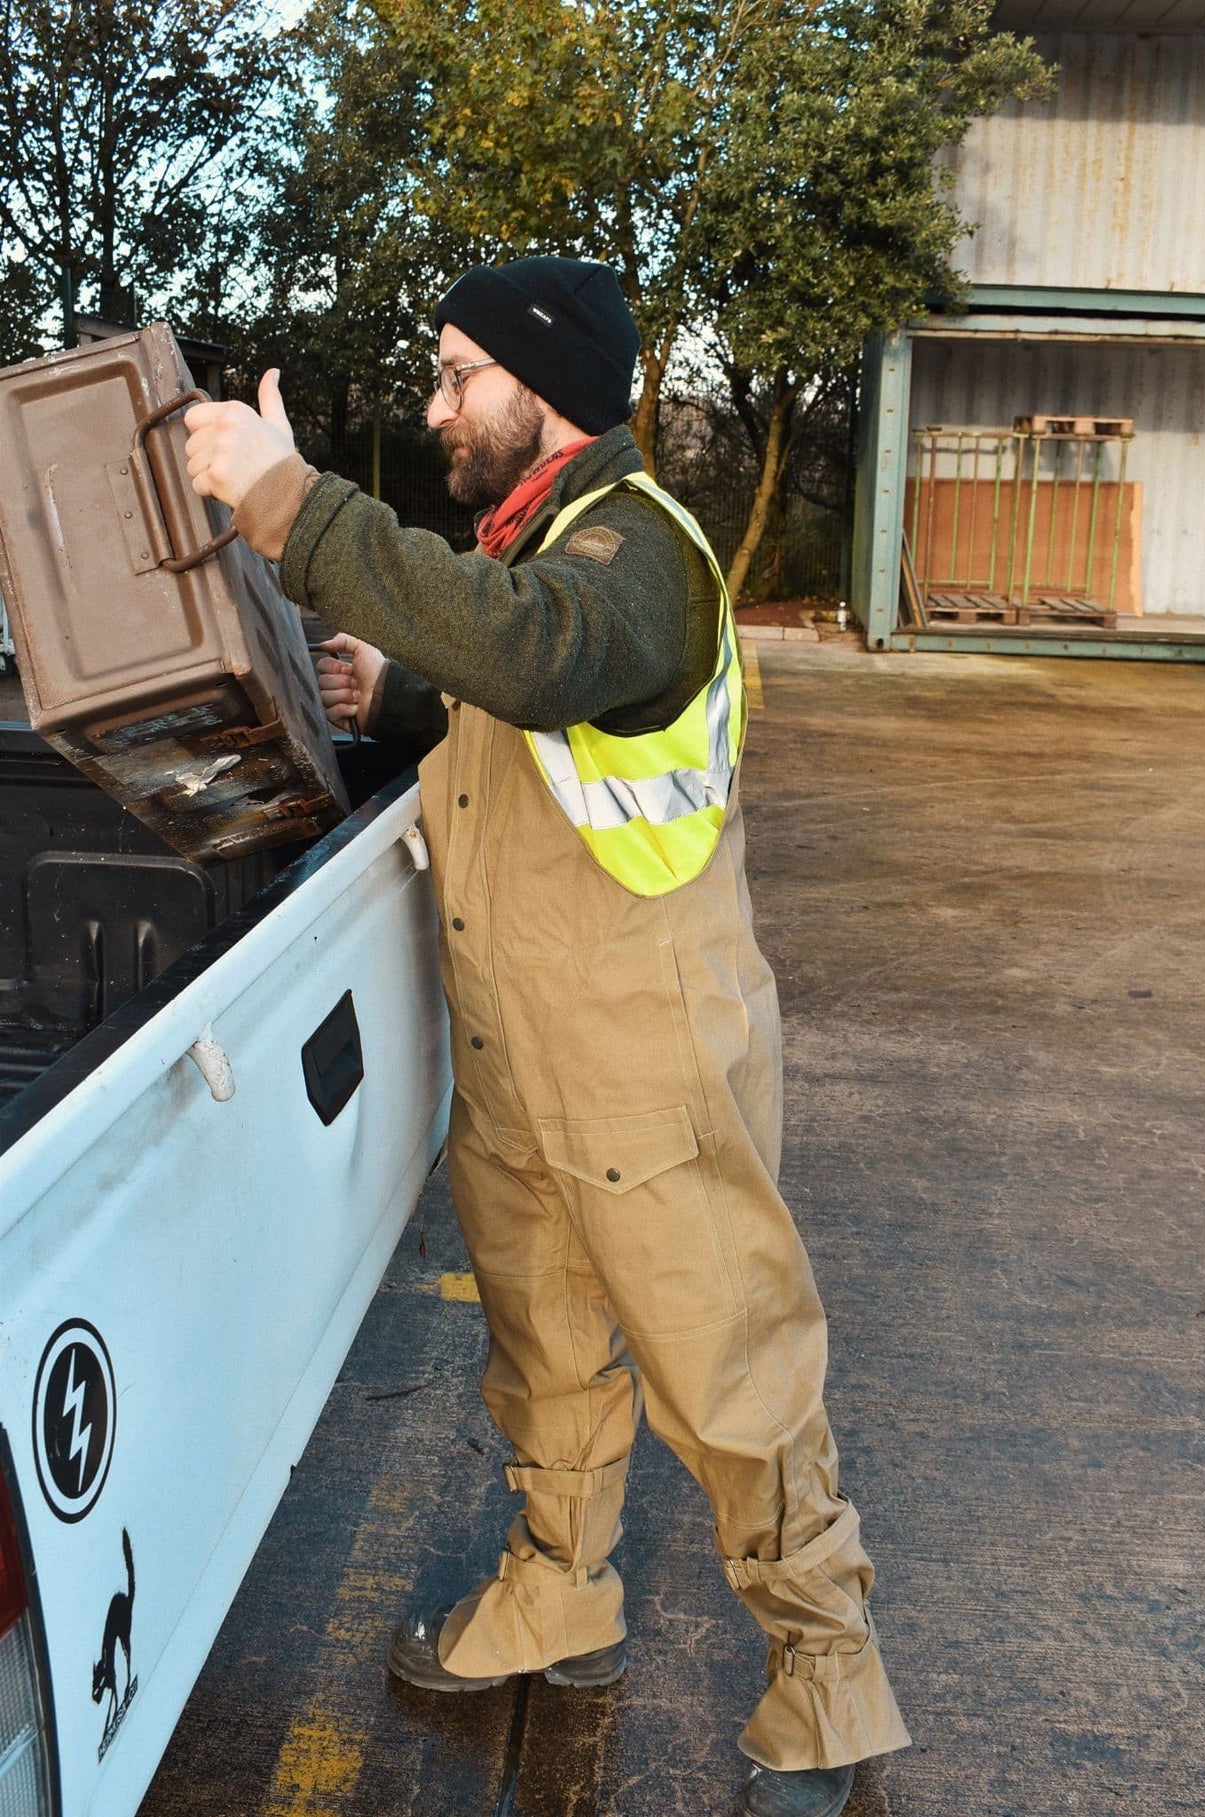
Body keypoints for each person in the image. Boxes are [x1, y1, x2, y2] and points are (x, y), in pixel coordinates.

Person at [183, 256, 909, 1817]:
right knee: (544, 1351)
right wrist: (385, 689)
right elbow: (500, 702)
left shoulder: (641, 554)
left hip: (646, 1049)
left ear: (546, 386)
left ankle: (826, 1676)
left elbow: (540, 653)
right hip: (518, 1049)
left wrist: (290, 505)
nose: (438, 403)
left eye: (458, 374)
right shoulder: (539, 547)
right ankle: (557, 1591)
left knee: (730, 1367)